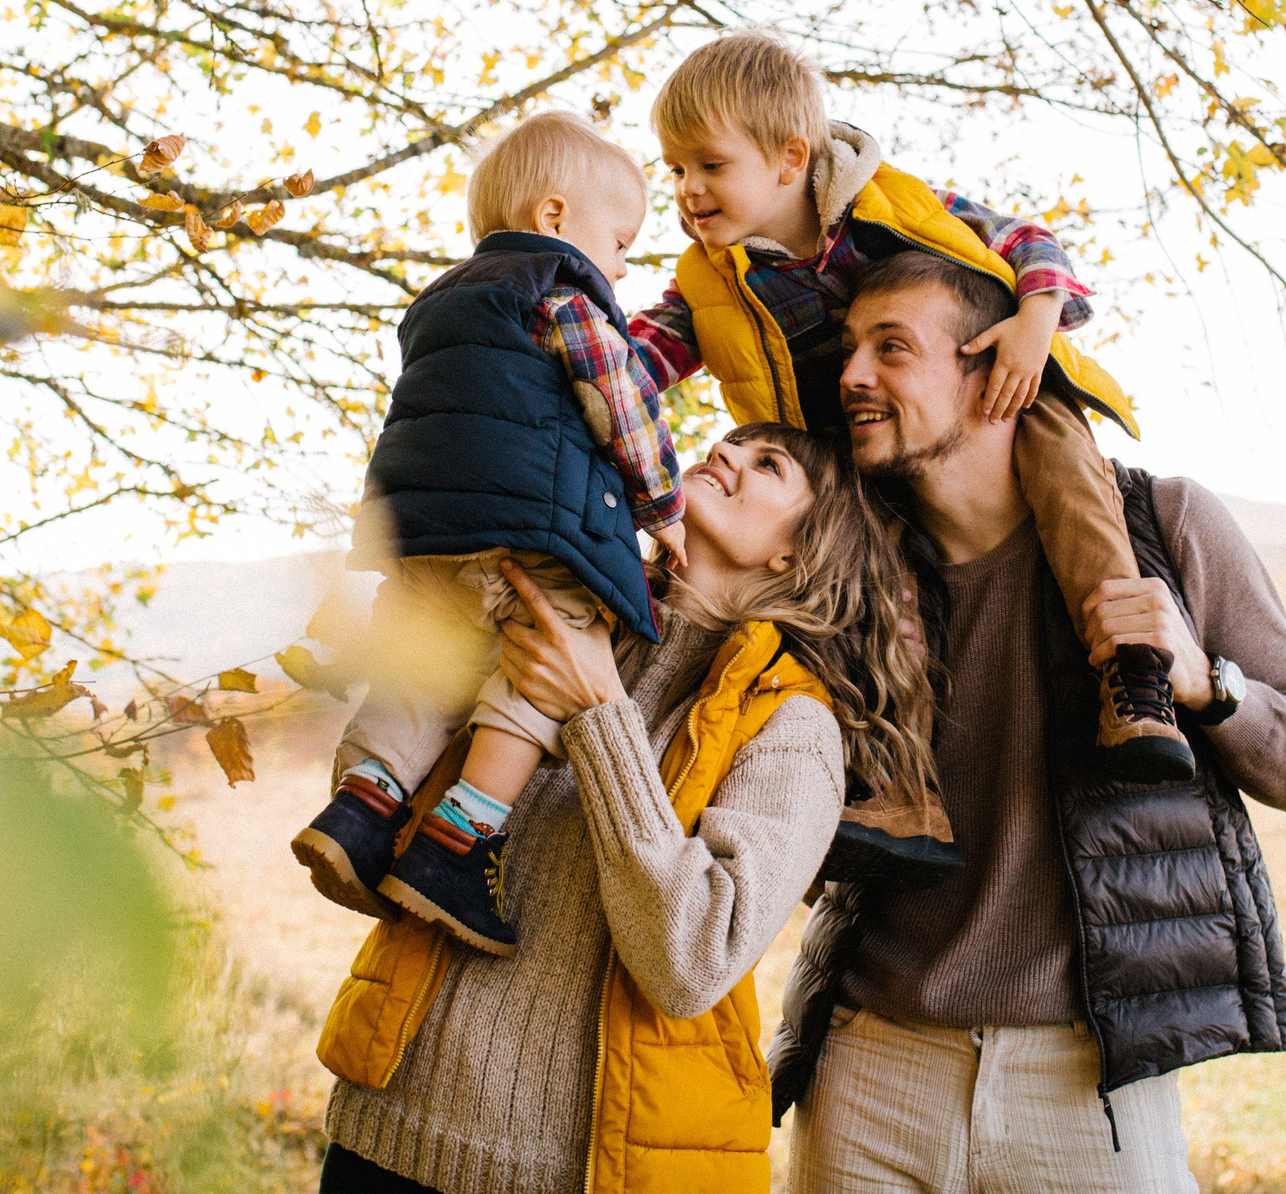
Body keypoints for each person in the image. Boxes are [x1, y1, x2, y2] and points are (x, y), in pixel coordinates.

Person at [773, 251, 1286, 1193]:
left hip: (1092, 1084)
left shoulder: (1161, 527)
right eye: (851, 348)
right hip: (871, 1065)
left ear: (998, 373)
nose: (852, 375)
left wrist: (1205, 682)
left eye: (893, 348)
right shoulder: (842, 564)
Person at [318, 425, 932, 1194]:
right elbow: (383, 809)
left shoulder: (793, 724)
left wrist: (598, 711)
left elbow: (693, 961)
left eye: (765, 463)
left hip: (579, 1174)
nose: (724, 457)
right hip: (387, 1128)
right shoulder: (562, 600)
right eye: (725, 445)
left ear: (797, 550)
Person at [630, 29, 1198, 785]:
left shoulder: (890, 203)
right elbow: (636, 360)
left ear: (790, 158)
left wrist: (1035, 324)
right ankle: (900, 780)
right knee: (870, 588)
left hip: (1004, 384)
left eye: (711, 165)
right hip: (865, 448)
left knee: (1071, 484)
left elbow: (1026, 237)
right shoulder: (710, 279)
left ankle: (1134, 677)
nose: (688, 190)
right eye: (675, 168)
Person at [292, 111, 688, 956]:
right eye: (620, 242)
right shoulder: (564, 292)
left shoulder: (439, 300)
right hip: (532, 529)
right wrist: (664, 508)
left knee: (429, 669)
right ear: (554, 218)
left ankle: (364, 806)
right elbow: (622, 406)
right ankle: (461, 842)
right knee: (545, 661)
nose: (622, 266)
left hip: (423, 536)